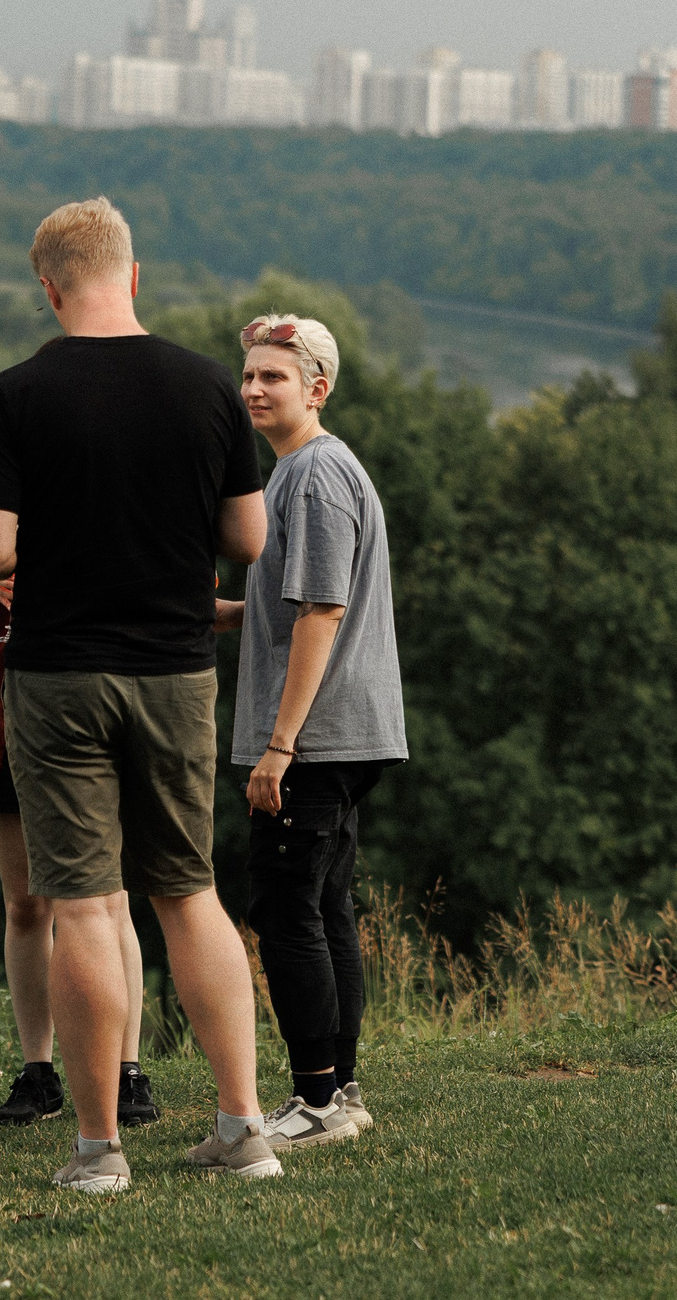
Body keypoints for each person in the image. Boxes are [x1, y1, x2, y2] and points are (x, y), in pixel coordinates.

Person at [0, 197, 277, 1194]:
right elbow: (249, 539)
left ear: (48, 287)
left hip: (57, 676)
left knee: (86, 905)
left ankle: (98, 1153)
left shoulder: (17, 394)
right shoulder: (206, 388)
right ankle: (243, 1127)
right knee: (189, 894)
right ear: (131, 275)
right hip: (177, 672)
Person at [221, 313, 406, 1154]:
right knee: (326, 906)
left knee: (285, 907)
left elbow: (323, 613)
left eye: (275, 377)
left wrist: (280, 744)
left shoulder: (317, 476)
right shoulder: (296, 473)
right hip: (337, 733)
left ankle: (316, 1100)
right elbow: (285, 608)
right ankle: (342, 1088)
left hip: (317, 738)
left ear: (317, 388)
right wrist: (211, 612)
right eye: (251, 374)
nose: (256, 388)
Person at [0, 481, 158, 1130]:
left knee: (106, 899)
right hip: (0, 713)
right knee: (25, 903)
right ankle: (39, 1071)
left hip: (90, 708)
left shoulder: (107, 462)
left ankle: (126, 1069)